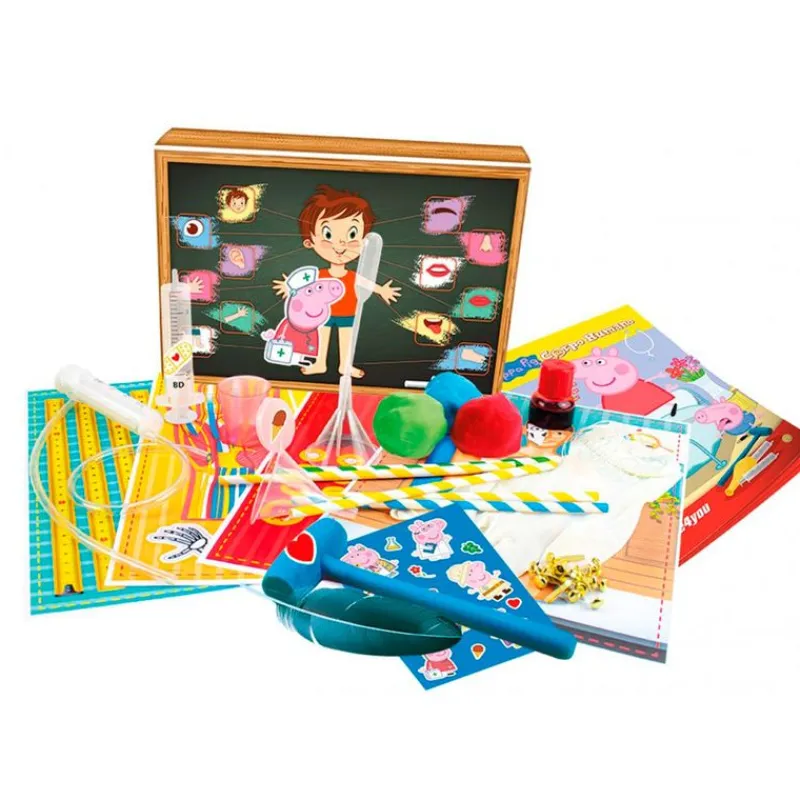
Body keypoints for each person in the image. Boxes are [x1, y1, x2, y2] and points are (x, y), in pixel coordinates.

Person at [272, 184, 401, 378]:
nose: (340, 245)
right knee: (321, 339)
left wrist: (381, 290)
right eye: (328, 235)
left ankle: (345, 366)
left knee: (346, 340)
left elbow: (364, 283)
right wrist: (288, 288)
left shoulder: (352, 276)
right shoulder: (320, 274)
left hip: (348, 311)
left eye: (352, 234)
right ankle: (319, 363)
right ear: (309, 241)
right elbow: (304, 287)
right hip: (321, 314)